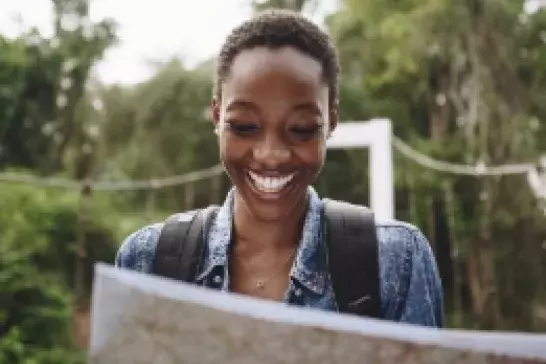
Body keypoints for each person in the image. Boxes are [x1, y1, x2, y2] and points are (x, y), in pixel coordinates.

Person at [115, 9, 444, 328]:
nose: (271, 155)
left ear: (331, 121)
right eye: (244, 126)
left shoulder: (396, 262)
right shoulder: (147, 262)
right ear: (217, 117)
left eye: (301, 129)